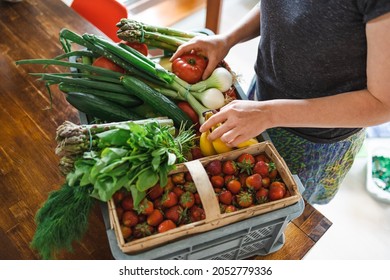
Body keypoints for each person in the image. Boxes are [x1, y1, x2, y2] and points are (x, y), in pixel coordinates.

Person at [170, 1, 390, 204]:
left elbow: (382, 104)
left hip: (312, 140)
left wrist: (269, 114)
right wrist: (228, 39)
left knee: (291, 212)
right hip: (261, 100)